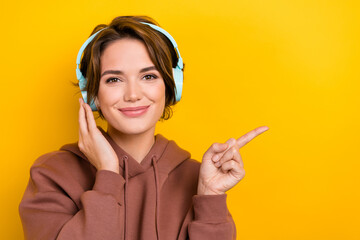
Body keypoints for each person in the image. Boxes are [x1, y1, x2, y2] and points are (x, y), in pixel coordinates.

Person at [18, 15, 269, 240]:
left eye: (148, 76)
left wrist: (210, 198)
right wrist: (108, 174)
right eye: (114, 79)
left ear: (171, 87)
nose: (133, 94)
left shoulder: (197, 178)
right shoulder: (52, 175)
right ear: (92, 95)